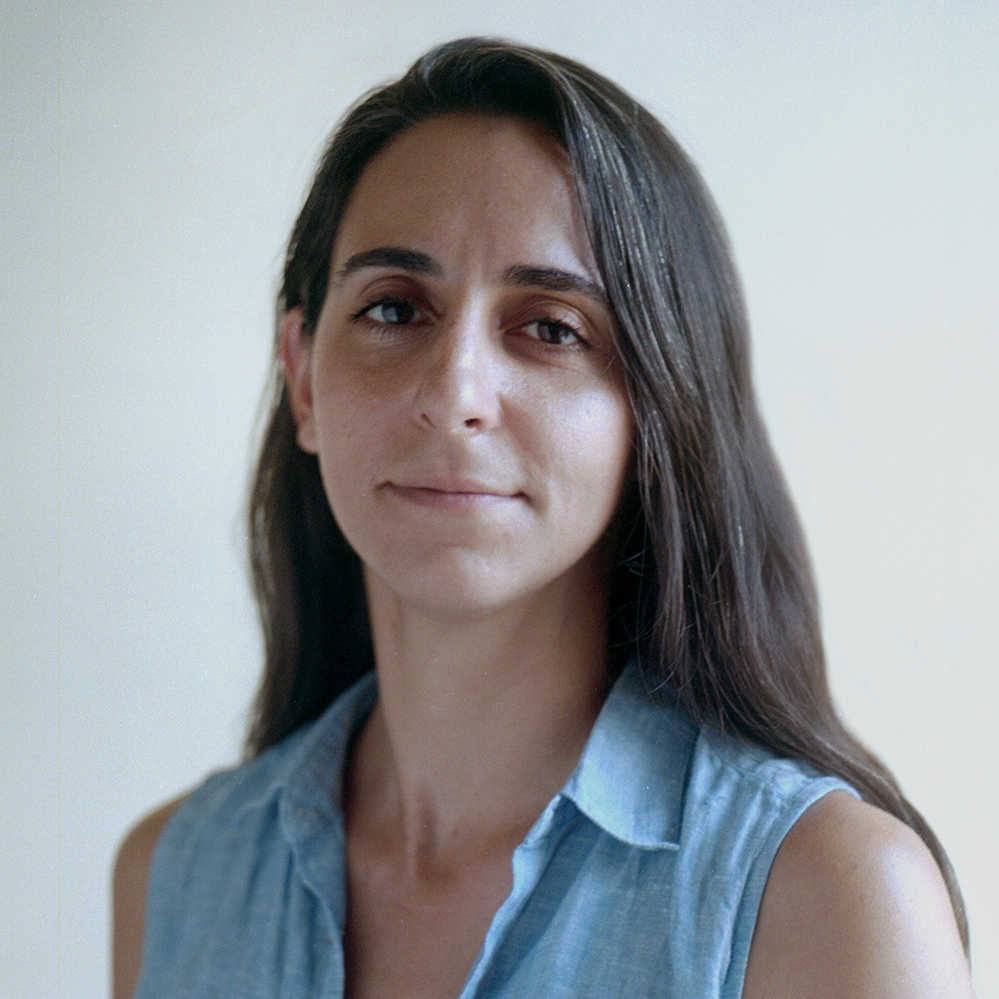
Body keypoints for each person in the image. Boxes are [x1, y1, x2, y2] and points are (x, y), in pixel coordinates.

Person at [113, 37, 974, 999]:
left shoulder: (829, 900)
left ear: (657, 409)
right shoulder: (172, 879)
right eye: (394, 309)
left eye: (552, 328)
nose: (456, 393)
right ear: (302, 377)